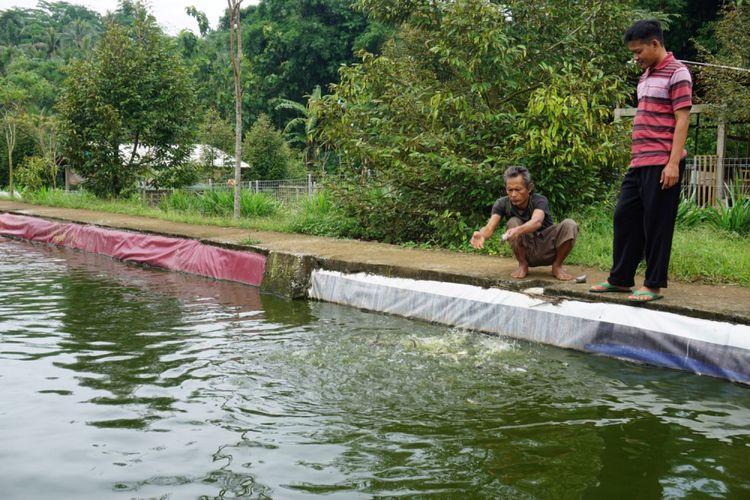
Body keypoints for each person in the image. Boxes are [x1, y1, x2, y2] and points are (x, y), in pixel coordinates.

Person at [590, 20, 692, 303]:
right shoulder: (646, 76)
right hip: (640, 162)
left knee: (657, 224)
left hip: (663, 161)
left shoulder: (678, 73)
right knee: (625, 216)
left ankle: (654, 284)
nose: (635, 57)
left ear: (655, 44)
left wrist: (673, 164)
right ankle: (621, 279)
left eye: (638, 51)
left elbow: (682, 120)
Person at [470, 165, 579, 280]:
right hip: (526, 249)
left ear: (529, 188)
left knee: (570, 224)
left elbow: (536, 222)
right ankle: (523, 265)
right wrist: (481, 235)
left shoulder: (539, 200)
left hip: (548, 247)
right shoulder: (502, 203)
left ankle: (557, 266)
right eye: (509, 190)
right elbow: (489, 228)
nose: (513, 194)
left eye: (518, 190)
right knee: (513, 221)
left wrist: (517, 230)